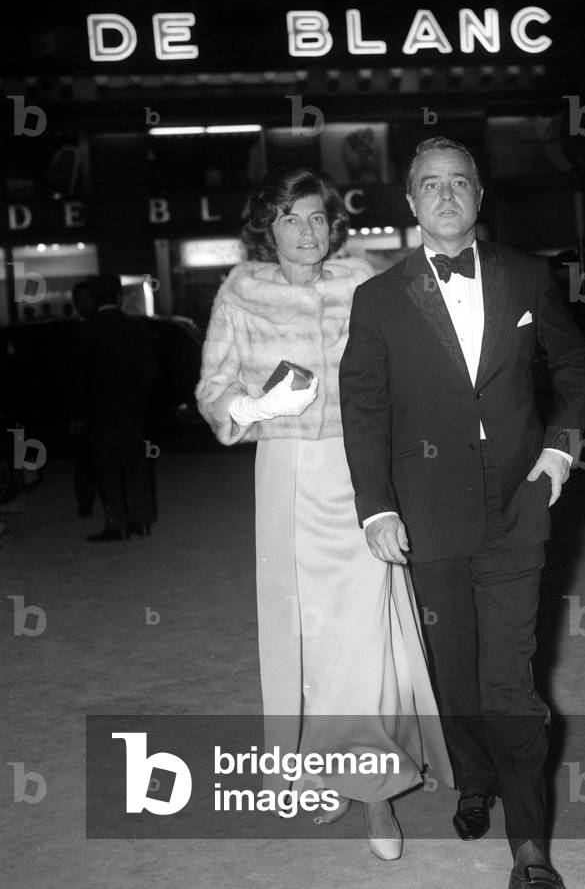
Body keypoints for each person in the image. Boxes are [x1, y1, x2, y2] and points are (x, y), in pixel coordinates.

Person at [339, 137, 585, 889]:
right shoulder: (379, 298)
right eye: (430, 184)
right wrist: (376, 507)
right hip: (426, 513)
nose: (446, 194)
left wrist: (558, 452)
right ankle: (473, 774)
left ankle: (530, 848)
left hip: (520, 503)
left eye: (460, 183)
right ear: (411, 203)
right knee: (455, 675)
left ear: (480, 198)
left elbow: (576, 365)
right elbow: (365, 410)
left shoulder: (527, 275)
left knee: (510, 677)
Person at [196, 166, 452, 861]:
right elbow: (214, 389)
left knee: (366, 639)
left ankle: (375, 795)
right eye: (289, 218)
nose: (305, 231)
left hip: (361, 473)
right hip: (286, 477)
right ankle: (324, 768)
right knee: (304, 637)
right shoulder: (242, 289)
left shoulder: (363, 281)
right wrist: (252, 408)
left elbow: (414, 367)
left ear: (331, 224)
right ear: (266, 227)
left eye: (315, 217)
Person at [71, 273, 157, 541]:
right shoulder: (135, 328)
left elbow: (78, 377)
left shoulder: (86, 331)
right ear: (119, 297)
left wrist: (78, 413)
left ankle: (116, 521)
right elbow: (149, 370)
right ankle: (141, 519)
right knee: (135, 464)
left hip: (100, 411)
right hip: (131, 410)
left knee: (107, 468)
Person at [69, 279, 99, 517]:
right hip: (88, 407)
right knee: (85, 460)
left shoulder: (95, 329)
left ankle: (90, 501)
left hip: (101, 406)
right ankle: (86, 502)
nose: (82, 304)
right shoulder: (74, 332)